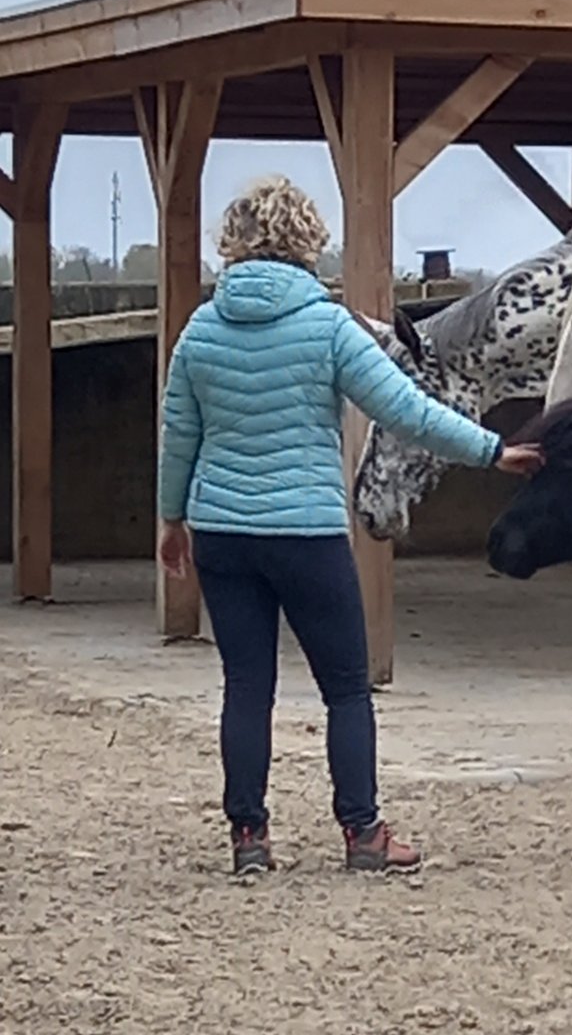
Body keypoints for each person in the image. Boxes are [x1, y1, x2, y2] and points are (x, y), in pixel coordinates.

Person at [158, 175, 540, 878]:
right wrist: (493, 450)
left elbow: (178, 431)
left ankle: (249, 837)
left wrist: (171, 517)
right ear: (308, 240)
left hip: (222, 531)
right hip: (304, 532)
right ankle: (362, 834)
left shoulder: (200, 331)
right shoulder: (326, 325)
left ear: (232, 243)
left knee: (247, 686)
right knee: (345, 688)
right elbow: (407, 409)